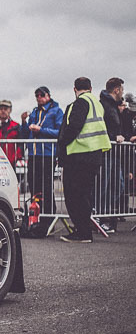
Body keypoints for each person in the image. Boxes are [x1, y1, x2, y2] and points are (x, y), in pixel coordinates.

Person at [57, 77, 110, 242]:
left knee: (74, 195)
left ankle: (82, 232)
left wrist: (63, 144)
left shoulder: (80, 103)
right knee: (84, 194)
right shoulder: (97, 103)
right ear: (91, 88)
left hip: (79, 155)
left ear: (75, 89)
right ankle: (84, 230)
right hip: (94, 154)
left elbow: (74, 126)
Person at [20, 86, 63, 223]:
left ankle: (49, 216)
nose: (39, 98)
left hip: (47, 155)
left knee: (46, 186)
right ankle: (35, 217)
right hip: (33, 155)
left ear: (48, 96)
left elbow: (60, 132)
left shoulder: (56, 111)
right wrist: (24, 122)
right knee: (33, 186)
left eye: (42, 95)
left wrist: (41, 130)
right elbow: (26, 134)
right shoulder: (34, 112)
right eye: (37, 95)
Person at [96, 78, 125, 231]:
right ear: (116, 90)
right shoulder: (104, 105)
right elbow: (102, 128)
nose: (122, 93)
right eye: (122, 90)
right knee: (104, 186)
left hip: (115, 152)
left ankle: (103, 214)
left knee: (117, 185)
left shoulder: (113, 106)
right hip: (106, 151)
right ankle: (100, 217)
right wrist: (114, 137)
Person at [0, 99, 21, 168]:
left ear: (10, 110)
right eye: (1, 108)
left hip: (10, 163)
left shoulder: (16, 126)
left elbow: (20, 145)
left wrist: (15, 157)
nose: (3, 111)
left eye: (5, 109)